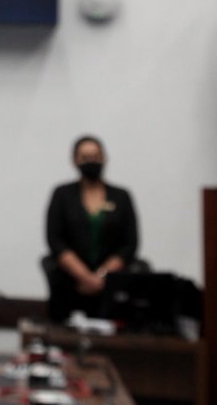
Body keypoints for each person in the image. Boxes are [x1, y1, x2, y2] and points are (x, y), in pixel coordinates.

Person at [44, 135, 139, 322]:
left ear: (104, 158)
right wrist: (85, 277)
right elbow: (55, 240)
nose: (91, 161)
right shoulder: (62, 195)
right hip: (69, 284)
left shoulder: (121, 197)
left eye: (96, 156)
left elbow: (130, 243)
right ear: (75, 160)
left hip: (112, 286)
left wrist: (101, 277)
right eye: (85, 157)